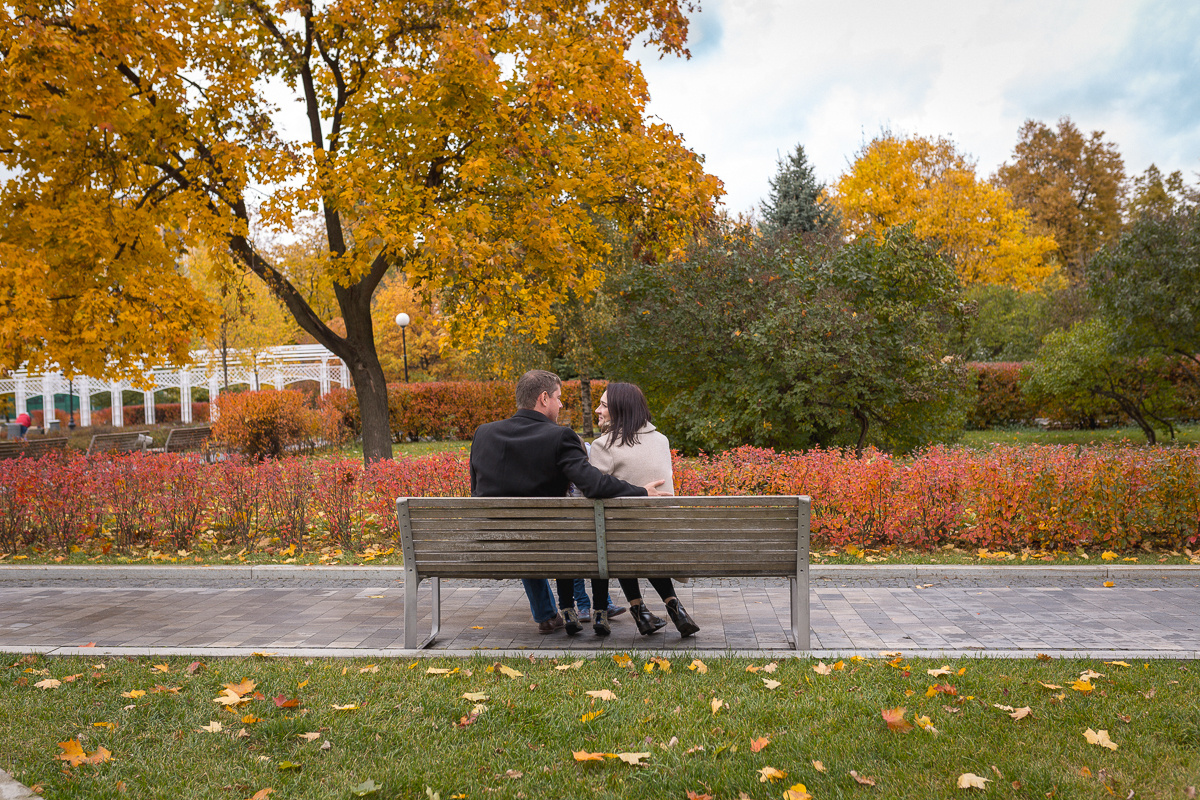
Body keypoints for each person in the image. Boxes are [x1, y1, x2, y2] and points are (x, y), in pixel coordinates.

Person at [469, 370, 666, 636]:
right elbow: (594, 485)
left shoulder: (484, 433)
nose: (561, 405)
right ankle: (599, 607)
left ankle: (548, 614)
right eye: (559, 398)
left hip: (492, 543)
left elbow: (476, 489)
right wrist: (641, 491)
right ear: (544, 398)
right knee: (578, 531)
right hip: (547, 544)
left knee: (521, 528)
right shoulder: (560, 436)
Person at [589, 382, 700, 637]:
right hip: (661, 537)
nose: (597, 410)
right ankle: (674, 606)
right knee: (637, 533)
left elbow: (591, 494)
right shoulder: (661, 440)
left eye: (604, 405)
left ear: (620, 409)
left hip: (621, 542)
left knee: (617, 535)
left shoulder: (603, 445)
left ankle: (639, 611)